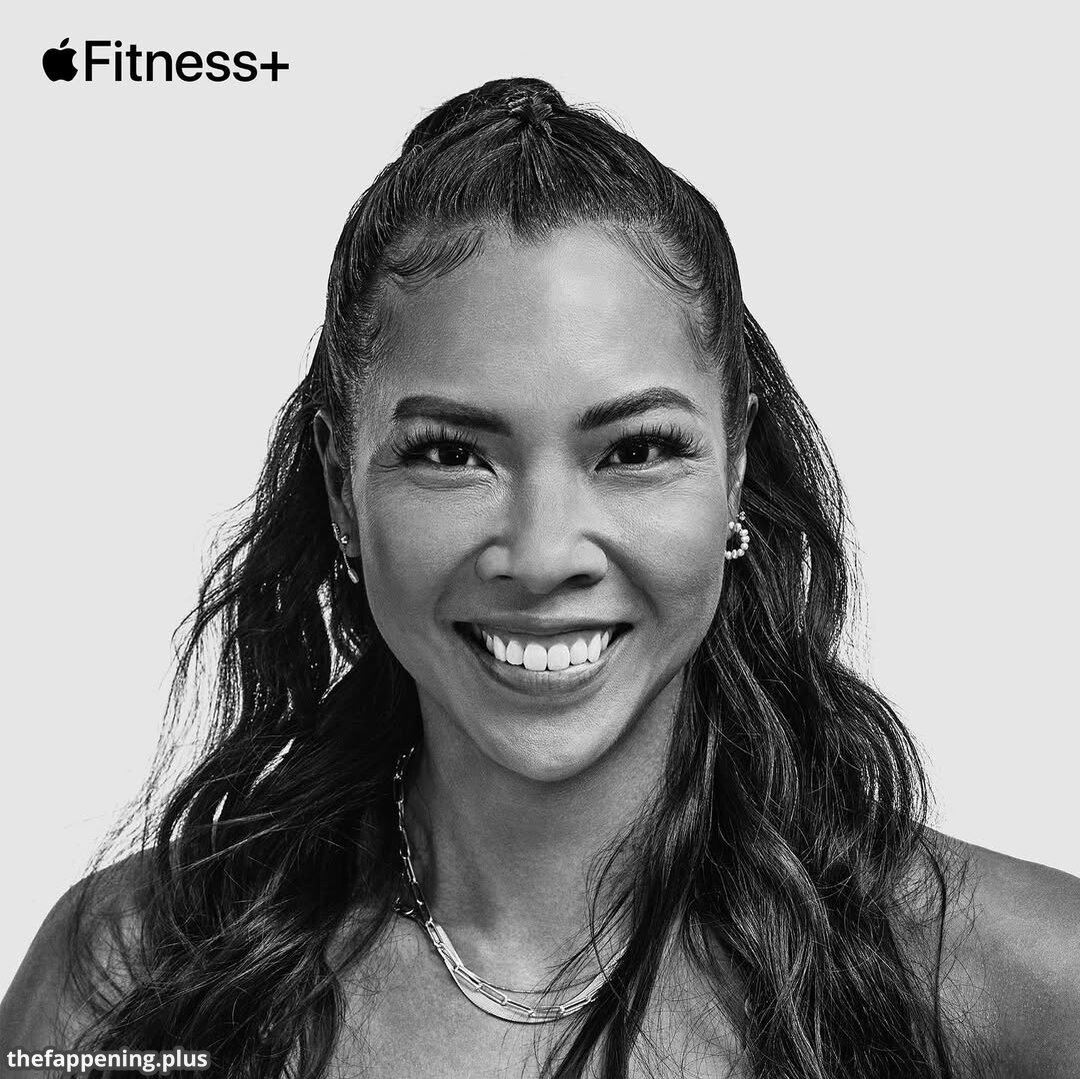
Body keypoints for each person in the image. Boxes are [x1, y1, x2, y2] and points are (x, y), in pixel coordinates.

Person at [3, 76, 1078, 1079]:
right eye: (451, 453)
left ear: (735, 465)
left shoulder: (1017, 986)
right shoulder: (127, 980)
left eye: (636, 449)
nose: (545, 552)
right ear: (341, 487)